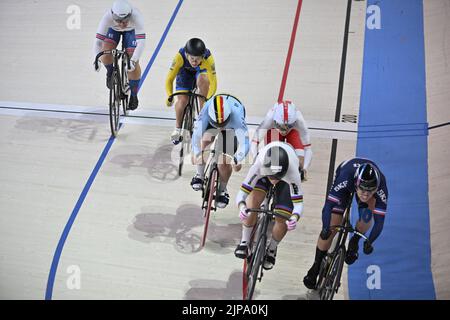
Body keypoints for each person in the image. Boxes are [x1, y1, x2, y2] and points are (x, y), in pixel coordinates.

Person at [303, 158, 388, 289]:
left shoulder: (381, 186)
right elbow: (327, 208)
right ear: (357, 183)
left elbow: (379, 221)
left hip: (362, 183)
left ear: (376, 188)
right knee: (332, 227)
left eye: (370, 191)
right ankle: (316, 265)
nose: (365, 194)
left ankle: (354, 241)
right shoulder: (345, 177)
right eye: (363, 190)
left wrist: (369, 241)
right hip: (345, 177)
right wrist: (326, 228)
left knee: (366, 216)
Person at [234, 141, 304, 270]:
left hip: (286, 180)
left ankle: (272, 248)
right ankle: (244, 241)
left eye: (276, 177)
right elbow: (241, 194)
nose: (274, 180)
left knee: (283, 216)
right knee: (252, 204)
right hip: (263, 173)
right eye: (271, 176)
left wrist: (294, 217)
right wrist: (242, 207)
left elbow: (298, 204)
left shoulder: (293, 172)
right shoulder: (258, 165)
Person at [191, 94, 248, 208]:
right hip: (211, 123)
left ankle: (222, 190)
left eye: (222, 124)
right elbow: (195, 138)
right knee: (205, 143)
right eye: (218, 125)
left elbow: (245, 143)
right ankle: (199, 175)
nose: (220, 127)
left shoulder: (236, 116)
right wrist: (197, 153)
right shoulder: (206, 111)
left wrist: (237, 159)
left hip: (231, 128)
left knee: (225, 161)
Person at [93, 0, 146, 110]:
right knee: (105, 52)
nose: (122, 24)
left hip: (131, 31)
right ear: (113, 15)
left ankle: (134, 95)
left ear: (130, 15)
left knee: (133, 63)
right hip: (113, 30)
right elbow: (98, 41)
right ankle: (110, 72)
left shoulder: (137, 16)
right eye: (118, 20)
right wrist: (96, 58)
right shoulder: (107, 17)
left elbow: (141, 42)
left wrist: (134, 60)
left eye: (125, 20)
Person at [165, 38, 217, 144]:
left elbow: (213, 82)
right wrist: (169, 96)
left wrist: (207, 99)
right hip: (185, 73)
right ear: (186, 54)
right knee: (182, 100)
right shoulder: (179, 57)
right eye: (192, 58)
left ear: (203, 57)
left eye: (197, 59)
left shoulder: (208, 59)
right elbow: (169, 79)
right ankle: (177, 129)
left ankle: (203, 121)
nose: (194, 61)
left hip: (201, 72)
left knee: (203, 82)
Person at [251, 100, 312, 181]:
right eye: (280, 127)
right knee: (272, 166)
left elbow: (308, 149)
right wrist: (255, 160)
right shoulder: (269, 119)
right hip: (274, 131)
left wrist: (304, 169)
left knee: (300, 165)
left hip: (293, 131)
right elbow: (254, 142)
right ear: (275, 121)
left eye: (288, 126)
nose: (284, 131)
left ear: (294, 122)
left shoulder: (299, 121)